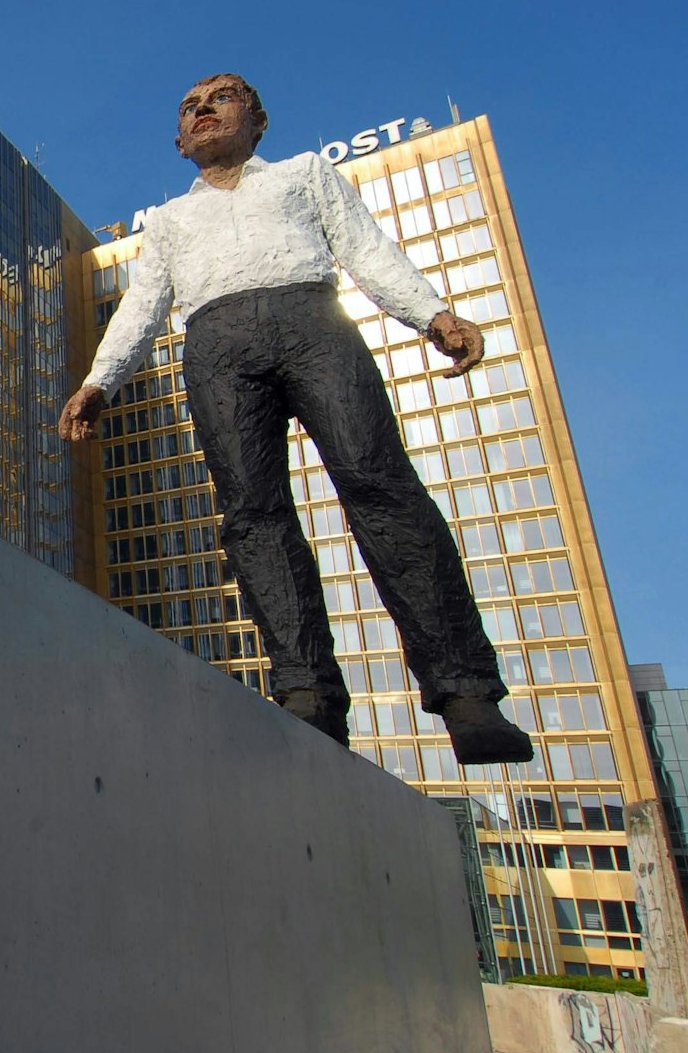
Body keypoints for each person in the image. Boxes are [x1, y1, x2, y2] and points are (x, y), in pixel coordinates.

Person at [58, 73, 532, 765]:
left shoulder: (306, 175)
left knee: (381, 487)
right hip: (217, 347)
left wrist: (432, 314)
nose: (202, 111)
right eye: (189, 108)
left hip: (314, 324)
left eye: (219, 98)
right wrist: (100, 381)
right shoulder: (168, 221)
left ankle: (465, 693)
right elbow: (143, 306)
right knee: (253, 514)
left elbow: (367, 249)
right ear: (178, 140)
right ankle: (307, 691)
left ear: (257, 118)